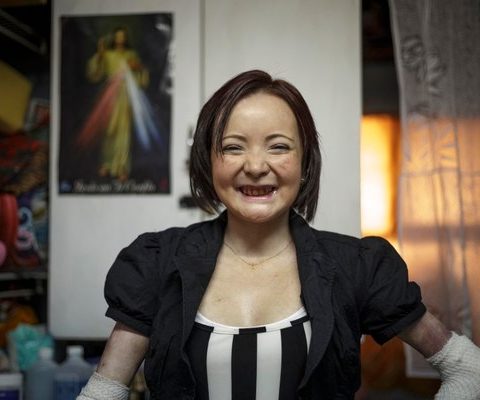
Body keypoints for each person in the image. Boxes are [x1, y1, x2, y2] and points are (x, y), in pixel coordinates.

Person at [78, 70, 480, 400]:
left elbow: (468, 370)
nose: (256, 166)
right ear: (208, 161)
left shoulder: (356, 267)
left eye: (278, 147)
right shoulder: (156, 262)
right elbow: (103, 393)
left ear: (304, 162)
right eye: (233, 147)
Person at [78, 26, 149, 182]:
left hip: (125, 96)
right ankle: (107, 164)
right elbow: (95, 73)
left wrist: (138, 68)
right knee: (108, 130)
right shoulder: (108, 54)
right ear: (114, 38)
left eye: (123, 36)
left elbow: (140, 77)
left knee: (124, 132)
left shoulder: (131, 54)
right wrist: (100, 54)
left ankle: (122, 167)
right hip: (109, 96)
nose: (120, 39)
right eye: (118, 36)